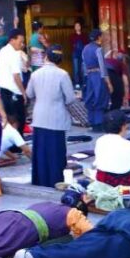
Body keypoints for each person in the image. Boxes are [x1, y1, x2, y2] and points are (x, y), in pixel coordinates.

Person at [27, 44, 76, 187]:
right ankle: (55, 181)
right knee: (56, 153)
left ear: (46, 56)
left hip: (40, 117)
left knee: (41, 153)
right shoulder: (63, 74)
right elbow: (70, 98)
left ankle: (40, 181)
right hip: (57, 118)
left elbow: (29, 94)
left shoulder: (35, 74)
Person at [94, 110, 130, 187]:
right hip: (125, 186)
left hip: (103, 183)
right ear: (123, 126)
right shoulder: (129, 145)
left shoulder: (100, 141)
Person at [81, 29, 112, 132]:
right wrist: (108, 82)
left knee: (91, 98)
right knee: (100, 98)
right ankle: (99, 123)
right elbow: (102, 67)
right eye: (102, 36)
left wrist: (86, 78)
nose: (103, 38)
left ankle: (93, 122)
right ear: (98, 37)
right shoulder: (98, 49)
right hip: (98, 76)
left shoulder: (85, 49)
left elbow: (84, 65)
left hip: (89, 76)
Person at [0, 29, 28, 127]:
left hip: (4, 89)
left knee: (10, 119)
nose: (22, 44)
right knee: (19, 120)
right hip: (14, 91)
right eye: (20, 41)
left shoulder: (3, 50)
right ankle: (18, 141)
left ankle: (12, 140)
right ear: (12, 40)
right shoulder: (13, 53)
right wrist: (23, 93)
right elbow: (16, 76)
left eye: (23, 42)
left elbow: (25, 68)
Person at [70, 20, 88, 88]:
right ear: (74, 27)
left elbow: (86, 45)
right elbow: (73, 44)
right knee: (76, 69)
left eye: (78, 26)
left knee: (83, 68)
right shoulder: (72, 36)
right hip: (75, 54)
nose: (77, 27)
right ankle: (76, 83)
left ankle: (83, 82)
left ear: (81, 27)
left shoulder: (84, 35)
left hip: (83, 54)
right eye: (76, 26)